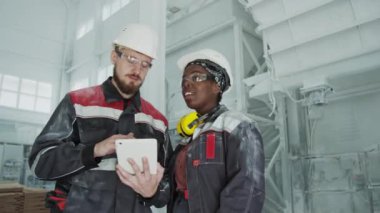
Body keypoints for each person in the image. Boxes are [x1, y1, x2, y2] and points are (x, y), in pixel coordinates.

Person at [28, 23, 173, 213]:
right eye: (131, 58)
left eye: (145, 64)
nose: (137, 69)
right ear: (114, 56)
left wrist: (153, 192)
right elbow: (41, 162)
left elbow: (170, 183)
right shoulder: (78, 103)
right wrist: (94, 150)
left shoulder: (157, 121)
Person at [167, 49, 265, 213]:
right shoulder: (188, 138)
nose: (186, 85)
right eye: (184, 81)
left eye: (196, 77)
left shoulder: (239, 126)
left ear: (216, 85)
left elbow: (247, 191)